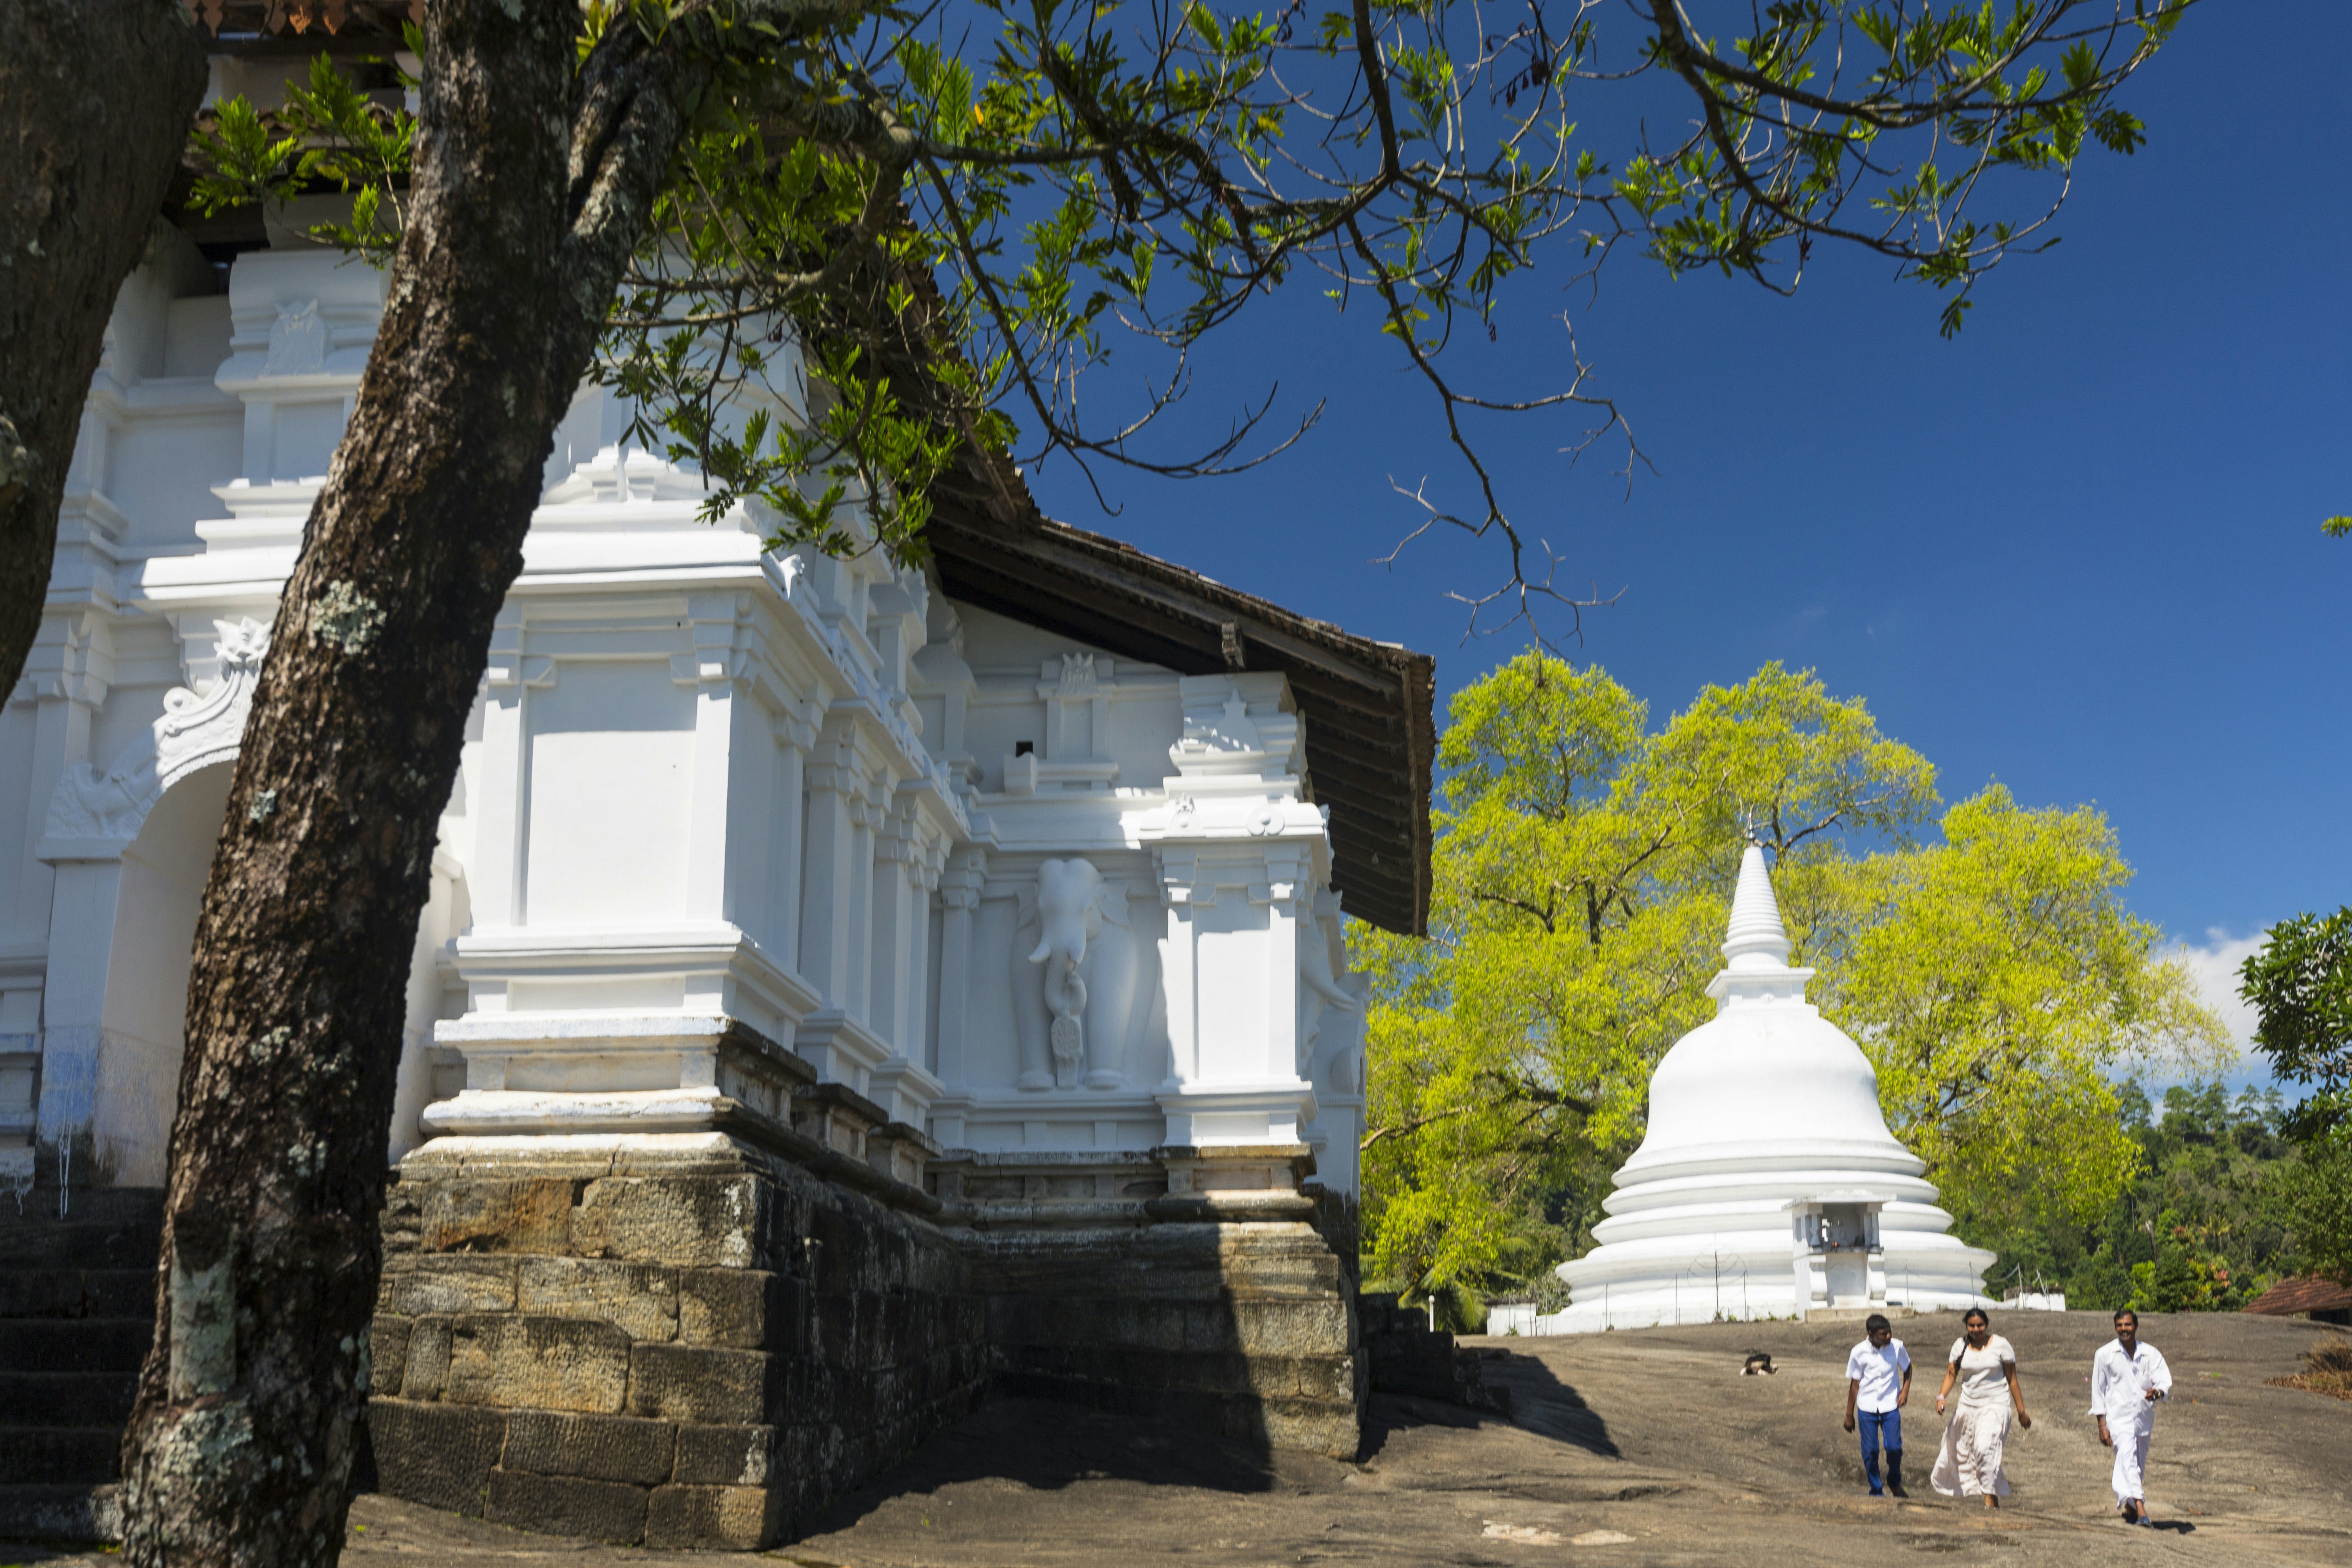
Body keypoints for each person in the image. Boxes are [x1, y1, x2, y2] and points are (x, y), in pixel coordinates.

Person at [1929, 1307, 2031, 1506]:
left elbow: (2013, 1380)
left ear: (1987, 1325)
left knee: (1985, 1448)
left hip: (1996, 1405)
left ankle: (1989, 1500)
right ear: (1966, 1326)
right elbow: (1952, 1373)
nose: (1977, 1329)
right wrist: (1941, 1397)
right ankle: (1990, 1493)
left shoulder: (2001, 1345)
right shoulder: (1960, 1346)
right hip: (1968, 1406)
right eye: (1972, 1326)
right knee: (1964, 1451)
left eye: (1980, 1325)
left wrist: (2021, 1412)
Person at [2089, 1308, 2172, 1526]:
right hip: (2118, 1419)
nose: (2124, 1330)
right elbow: (2098, 1391)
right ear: (2115, 1327)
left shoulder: (2150, 1353)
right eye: (2120, 1326)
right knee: (2128, 1460)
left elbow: (2163, 1380)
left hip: (2143, 1418)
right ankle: (2142, 1510)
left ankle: (2130, 1505)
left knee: (2137, 1465)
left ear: (2136, 1326)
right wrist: (2102, 1425)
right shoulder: (2105, 1354)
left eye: (2128, 1325)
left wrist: (2158, 1392)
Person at [1843, 1313, 1913, 1497]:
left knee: (1895, 1448)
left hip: (1890, 1405)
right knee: (1871, 1451)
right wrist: (1849, 1415)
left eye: (1889, 1332)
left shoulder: (1897, 1347)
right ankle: (1876, 1490)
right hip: (1867, 1407)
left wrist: (1905, 1392)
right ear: (1871, 1334)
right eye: (1883, 1334)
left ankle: (1894, 1481)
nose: (1888, 1337)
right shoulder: (1858, 1352)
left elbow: (1908, 1368)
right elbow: (1855, 1384)